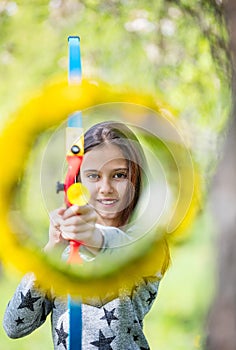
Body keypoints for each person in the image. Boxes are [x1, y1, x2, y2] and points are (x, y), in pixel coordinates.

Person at [3, 121, 170, 350]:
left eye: (119, 175)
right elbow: (14, 326)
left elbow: (122, 248)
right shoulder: (64, 249)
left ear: (136, 178)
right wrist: (52, 249)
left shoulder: (148, 242)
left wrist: (94, 238)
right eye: (93, 176)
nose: (105, 187)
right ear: (76, 182)